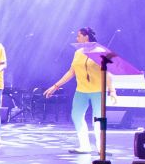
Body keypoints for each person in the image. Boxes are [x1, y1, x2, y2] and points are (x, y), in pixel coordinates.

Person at [44, 27, 112, 155]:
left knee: (99, 119)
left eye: (79, 35)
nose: (77, 38)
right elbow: (71, 72)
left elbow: (107, 72)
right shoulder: (78, 52)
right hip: (81, 90)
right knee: (76, 116)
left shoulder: (100, 51)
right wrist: (55, 86)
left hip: (98, 91)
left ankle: (101, 147)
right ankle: (85, 146)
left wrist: (112, 90)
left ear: (86, 36)